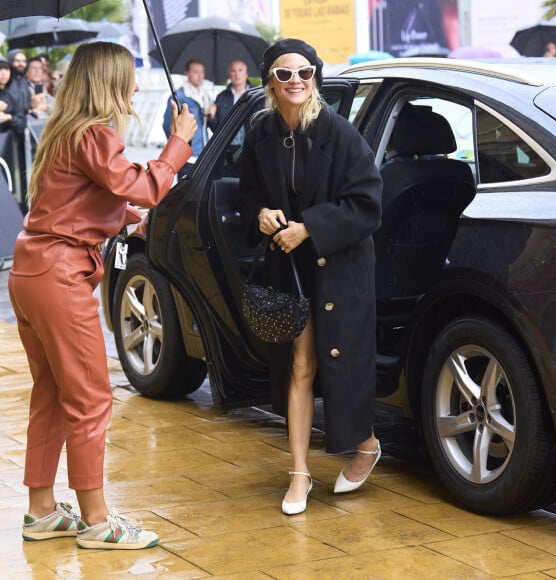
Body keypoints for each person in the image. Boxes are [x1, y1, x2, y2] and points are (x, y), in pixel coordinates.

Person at [8, 41, 197, 549]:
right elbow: (141, 186)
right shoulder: (94, 134)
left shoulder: (64, 132)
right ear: (108, 81)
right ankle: (97, 520)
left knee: (51, 393)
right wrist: (177, 144)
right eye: (129, 76)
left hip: (33, 269)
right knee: (90, 398)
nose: (136, 85)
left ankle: (42, 510)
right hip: (59, 275)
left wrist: (122, 221)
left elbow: (79, 200)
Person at [239, 39, 383, 516]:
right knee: (301, 366)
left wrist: (310, 227)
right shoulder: (259, 133)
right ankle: (298, 473)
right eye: (285, 74)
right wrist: (261, 214)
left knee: (341, 362)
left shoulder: (339, 134)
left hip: (341, 268)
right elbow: (244, 199)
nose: (296, 81)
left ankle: (365, 443)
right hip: (293, 273)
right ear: (270, 83)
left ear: (315, 78)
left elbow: (368, 204)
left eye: (305, 72)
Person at [162, 58, 214, 168]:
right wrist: (179, 147)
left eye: (202, 72)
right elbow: (168, 125)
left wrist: (211, 114)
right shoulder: (179, 97)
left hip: (205, 153)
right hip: (187, 157)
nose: (200, 75)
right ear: (187, 73)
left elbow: (207, 125)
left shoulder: (206, 96)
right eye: (195, 71)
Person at [209, 59, 253, 143]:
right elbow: (216, 130)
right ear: (229, 75)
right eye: (233, 71)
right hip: (228, 144)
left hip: (252, 142)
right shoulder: (221, 97)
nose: (237, 74)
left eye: (240, 70)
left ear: (246, 74)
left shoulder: (256, 94)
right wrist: (212, 117)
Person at [0, 58, 26, 135]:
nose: (3, 73)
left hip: (8, 141)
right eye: (0, 69)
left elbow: (22, 123)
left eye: (7, 69)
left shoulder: (15, 94)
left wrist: (8, 117)